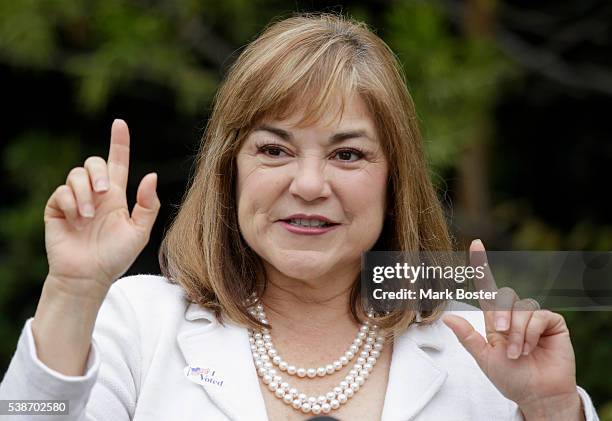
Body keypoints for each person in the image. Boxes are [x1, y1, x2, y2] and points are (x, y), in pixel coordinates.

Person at [0, 12, 600, 421]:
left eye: (347, 154)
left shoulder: (475, 346)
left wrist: (551, 409)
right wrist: (73, 293)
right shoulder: (137, 323)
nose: (309, 185)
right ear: (229, 170)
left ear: (395, 180)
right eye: (275, 150)